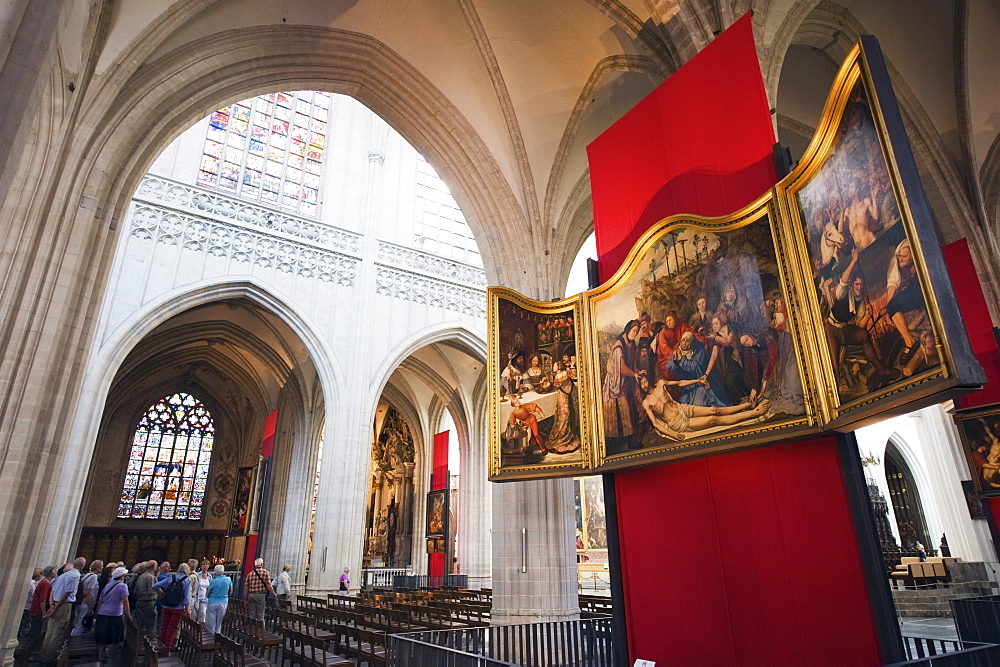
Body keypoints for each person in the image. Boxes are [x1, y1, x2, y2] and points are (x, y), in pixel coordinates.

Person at [824, 249, 899, 390]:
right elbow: (844, 280)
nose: (859, 287)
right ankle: (834, 392)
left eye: (861, 285)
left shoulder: (860, 300)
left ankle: (881, 370)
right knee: (834, 364)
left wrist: (867, 316)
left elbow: (860, 326)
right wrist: (854, 261)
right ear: (852, 285)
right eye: (857, 285)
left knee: (864, 336)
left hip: (844, 330)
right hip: (831, 330)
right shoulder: (843, 292)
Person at [642, 378, 770, 441]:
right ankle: (753, 413)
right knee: (714, 419)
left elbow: (680, 383)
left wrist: (697, 380)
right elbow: (656, 424)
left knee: (714, 410)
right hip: (677, 422)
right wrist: (673, 434)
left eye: (644, 381)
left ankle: (749, 405)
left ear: (647, 379)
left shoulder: (660, 383)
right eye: (641, 384)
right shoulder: (646, 402)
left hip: (682, 409)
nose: (644, 384)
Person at [603, 320, 645, 451]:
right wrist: (634, 374)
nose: (635, 333)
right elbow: (621, 368)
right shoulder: (619, 345)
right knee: (623, 410)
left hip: (625, 381)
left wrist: (638, 371)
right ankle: (618, 443)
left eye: (637, 331)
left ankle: (631, 440)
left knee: (630, 408)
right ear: (628, 330)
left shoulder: (632, 344)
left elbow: (632, 364)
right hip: (615, 383)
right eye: (634, 331)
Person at [885, 239, 927, 365]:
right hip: (915, 291)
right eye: (899, 256)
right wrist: (888, 307)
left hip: (926, 287)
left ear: (912, 255)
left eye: (904, 256)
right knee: (892, 306)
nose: (900, 259)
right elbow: (892, 283)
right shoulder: (896, 262)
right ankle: (910, 342)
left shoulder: (920, 257)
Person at [38, 557, 85, 663]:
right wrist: (56, 607)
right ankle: (48, 659)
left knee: (49, 632)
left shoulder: (64, 575)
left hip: (55, 603)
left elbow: (53, 591)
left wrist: (52, 606)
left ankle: (43, 656)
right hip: (63, 605)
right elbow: (67, 593)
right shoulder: (75, 575)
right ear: (82, 566)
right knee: (57, 633)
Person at [93, 566, 132, 662]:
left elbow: (100, 600)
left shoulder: (108, 585)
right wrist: (128, 615)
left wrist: (97, 613)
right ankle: (105, 654)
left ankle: (100, 653)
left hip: (103, 612)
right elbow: (125, 601)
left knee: (102, 634)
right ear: (122, 576)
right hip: (114, 613)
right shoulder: (123, 586)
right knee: (111, 634)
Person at [153, 562, 191, 656]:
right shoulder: (187, 580)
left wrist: (162, 594)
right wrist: (187, 610)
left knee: (164, 627)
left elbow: (155, 586)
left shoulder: (171, 578)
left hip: (166, 606)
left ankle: (160, 647)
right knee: (171, 629)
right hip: (178, 607)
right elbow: (187, 597)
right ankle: (166, 651)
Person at [544, 362, 581, 454]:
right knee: (563, 416)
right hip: (566, 395)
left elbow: (557, 384)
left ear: (559, 366)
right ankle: (563, 435)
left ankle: (563, 436)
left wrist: (547, 382)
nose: (553, 367)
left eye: (555, 365)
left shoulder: (562, 373)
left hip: (566, 396)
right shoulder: (561, 374)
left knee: (564, 416)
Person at [25, 565, 57, 656]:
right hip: (38, 610)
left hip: (37, 609)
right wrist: (43, 612)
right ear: (51, 573)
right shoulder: (46, 583)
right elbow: (43, 599)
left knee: (37, 631)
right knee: (36, 633)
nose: (56, 572)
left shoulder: (44, 582)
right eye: (55, 571)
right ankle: (28, 654)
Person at [71, 559, 102, 636]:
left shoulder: (86, 575)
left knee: (78, 621)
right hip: (85, 603)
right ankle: (75, 641)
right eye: (101, 567)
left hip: (80, 601)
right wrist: (90, 607)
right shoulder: (94, 577)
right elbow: (89, 593)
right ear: (97, 567)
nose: (102, 568)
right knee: (80, 623)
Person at [132, 561, 158, 640]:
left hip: (139, 603)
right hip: (148, 603)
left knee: (140, 625)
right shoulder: (150, 577)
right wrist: (159, 592)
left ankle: (139, 642)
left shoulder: (141, 576)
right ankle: (150, 644)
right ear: (153, 567)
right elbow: (151, 591)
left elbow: (135, 591)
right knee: (151, 625)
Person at [204, 565, 232, 636]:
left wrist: (208, 596)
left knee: (211, 621)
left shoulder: (213, 581)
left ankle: (210, 636)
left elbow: (208, 593)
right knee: (219, 621)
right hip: (223, 601)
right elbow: (231, 591)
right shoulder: (228, 579)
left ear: (215, 572)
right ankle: (218, 635)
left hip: (212, 602)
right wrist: (226, 596)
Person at [17, 568, 41, 641]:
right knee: (23, 624)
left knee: (25, 623)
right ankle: (20, 638)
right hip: (26, 606)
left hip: (28, 606)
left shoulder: (33, 583)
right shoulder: (31, 583)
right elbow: (30, 595)